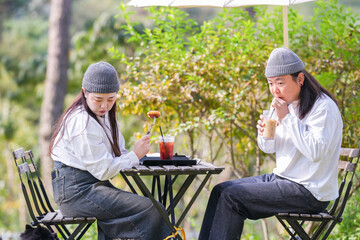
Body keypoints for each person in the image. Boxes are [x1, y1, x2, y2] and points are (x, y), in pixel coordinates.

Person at [198, 48, 343, 240]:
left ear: (300, 79)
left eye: (280, 83)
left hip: (309, 191)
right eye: (271, 83)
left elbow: (316, 151)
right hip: (284, 179)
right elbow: (268, 148)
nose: (275, 90)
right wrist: (264, 135)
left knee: (231, 197)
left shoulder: (322, 107)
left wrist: (287, 119)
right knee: (220, 191)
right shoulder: (285, 104)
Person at [50, 61, 171, 240]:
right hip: (76, 193)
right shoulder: (82, 122)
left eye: (111, 99)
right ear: (84, 92)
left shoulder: (104, 117)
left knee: (152, 208)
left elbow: (118, 152)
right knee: (151, 209)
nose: (104, 106)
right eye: (98, 99)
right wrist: (135, 155)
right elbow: (103, 170)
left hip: (89, 187)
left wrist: (135, 154)